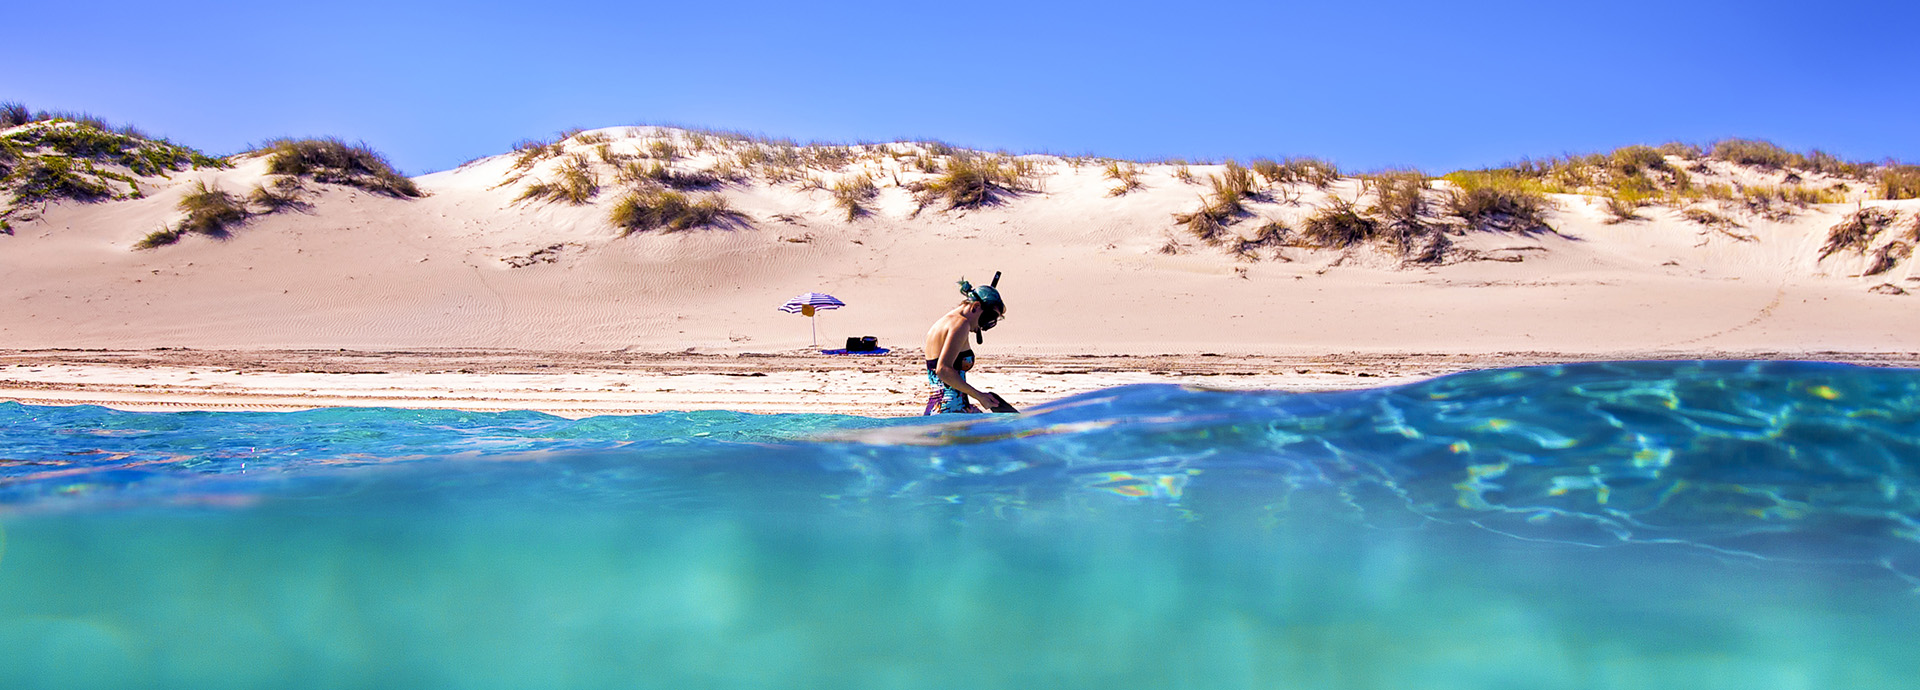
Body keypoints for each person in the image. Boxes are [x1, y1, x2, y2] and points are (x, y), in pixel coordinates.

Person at [923, 273, 1016, 415]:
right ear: (976, 306)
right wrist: (979, 396)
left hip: (937, 409)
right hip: (952, 411)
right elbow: (942, 370)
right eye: (989, 317)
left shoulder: (943, 323)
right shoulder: (961, 324)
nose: (985, 325)